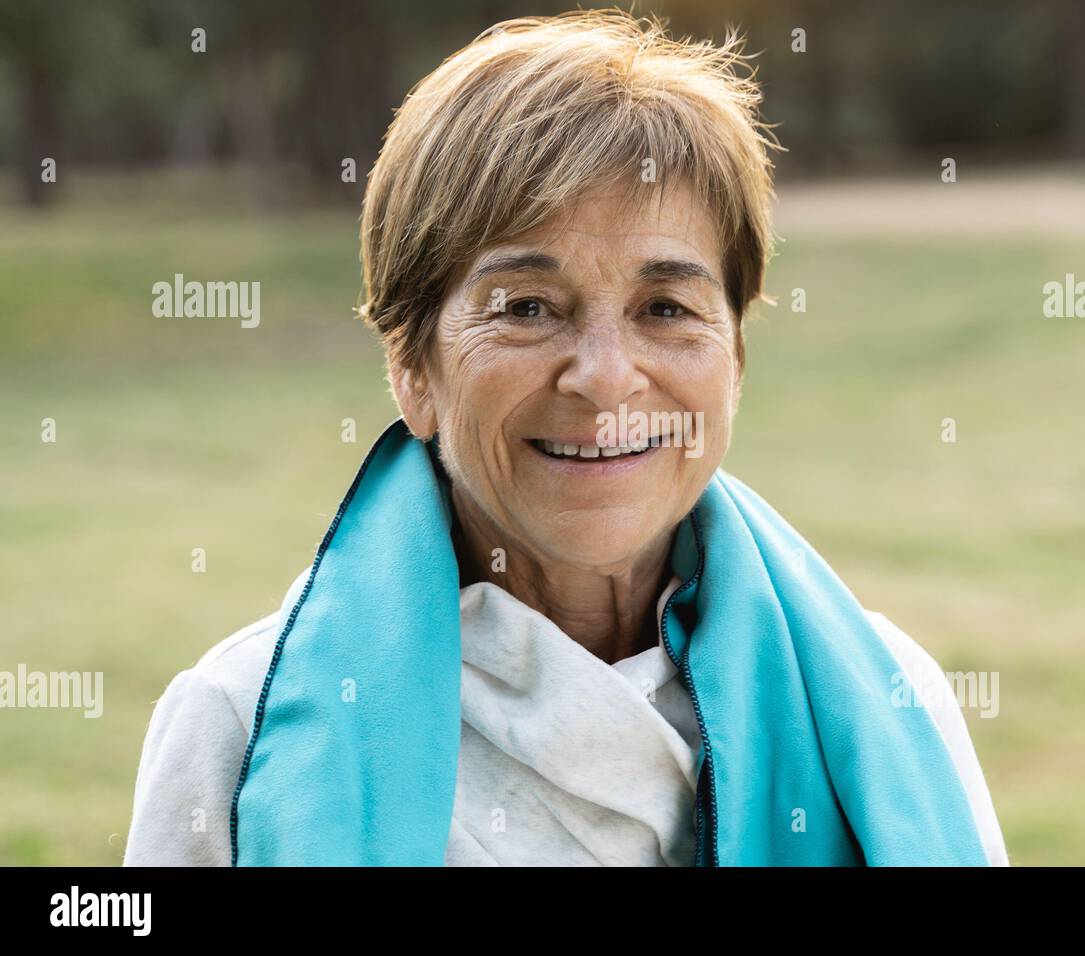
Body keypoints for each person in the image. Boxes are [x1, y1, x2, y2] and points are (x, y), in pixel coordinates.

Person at [124, 8, 1009, 867]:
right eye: (527, 308)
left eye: (666, 308)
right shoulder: (243, 727)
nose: (606, 376)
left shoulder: (888, 698)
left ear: (735, 359)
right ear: (412, 368)